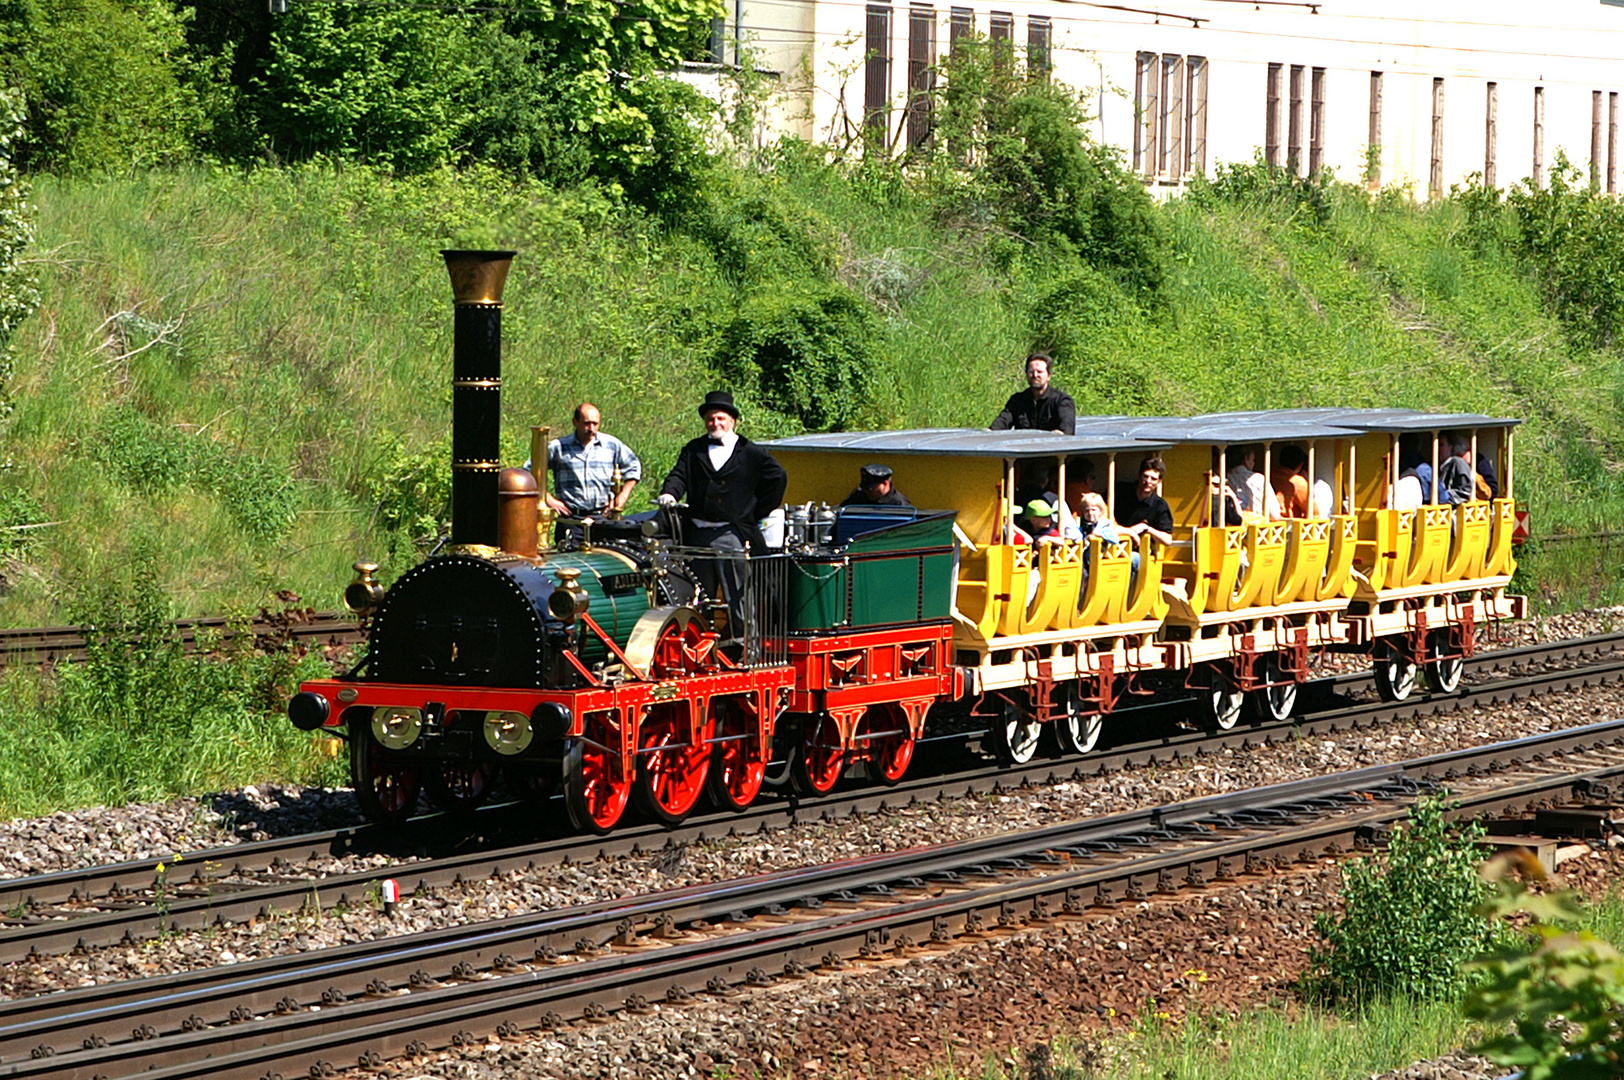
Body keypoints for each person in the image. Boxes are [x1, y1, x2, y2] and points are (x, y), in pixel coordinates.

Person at [658, 391, 788, 644]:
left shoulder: (751, 452)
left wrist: (755, 511)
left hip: (731, 534)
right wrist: (669, 493)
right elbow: (679, 475)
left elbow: (778, 478)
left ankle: (745, 647)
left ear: (732, 421)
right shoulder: (693, 449)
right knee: (698, 595)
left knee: (738, 593)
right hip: (697, 533)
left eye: (720, 418)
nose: (715, 424)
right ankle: (701, 647)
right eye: (710, 419)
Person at [545, 402, 642, 521]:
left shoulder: (611, 445)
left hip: (603, 517)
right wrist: (549, 500)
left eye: (595, 424)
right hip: (571, 517)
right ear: (575, 422)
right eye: (587, 424)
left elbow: (634, 466)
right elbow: (531, 472)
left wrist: (622, 496)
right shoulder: (558, 447)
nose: (591, 429)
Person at [989, 353, 1077, 435]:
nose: (1035, 375)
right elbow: (1001, 423)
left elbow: (1066, 431)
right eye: (1031, 371)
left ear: (1049, 376)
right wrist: (987, 433)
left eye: (1039, 372)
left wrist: (1056, 435)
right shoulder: (1017, 401)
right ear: (1026, 375)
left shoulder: (1062, 401)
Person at [1117, 455, 1175, 548]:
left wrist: (1146, 528)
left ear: (1159, 482)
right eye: (1145, 476)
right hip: (1113, 545)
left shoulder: (1160, 505)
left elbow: (1168, 540)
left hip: (1137, 552)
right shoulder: (1121, 491)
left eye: (1153, 479)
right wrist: (1130, 531)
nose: (1148, 481)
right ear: (1139, 475)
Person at [840, 463, 913, 507]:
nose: (867, 491)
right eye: (865, 488)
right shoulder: (859, 496)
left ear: (885, 484)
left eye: (871, 488)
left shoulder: (899, 504)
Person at [1269, 444, 1311, 519]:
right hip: (1289, 527)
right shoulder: (1298, 483)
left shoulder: (1269, 476)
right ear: (1300, 466)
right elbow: (1314, 512)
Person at [1438, 433, 1476, 505]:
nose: (1438, 448)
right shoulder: (1434, 465)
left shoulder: (1458, 463)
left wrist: (1444, 497)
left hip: (1454, 511)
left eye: (1441, 445)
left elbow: (1465, 491)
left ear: (1450, 447)